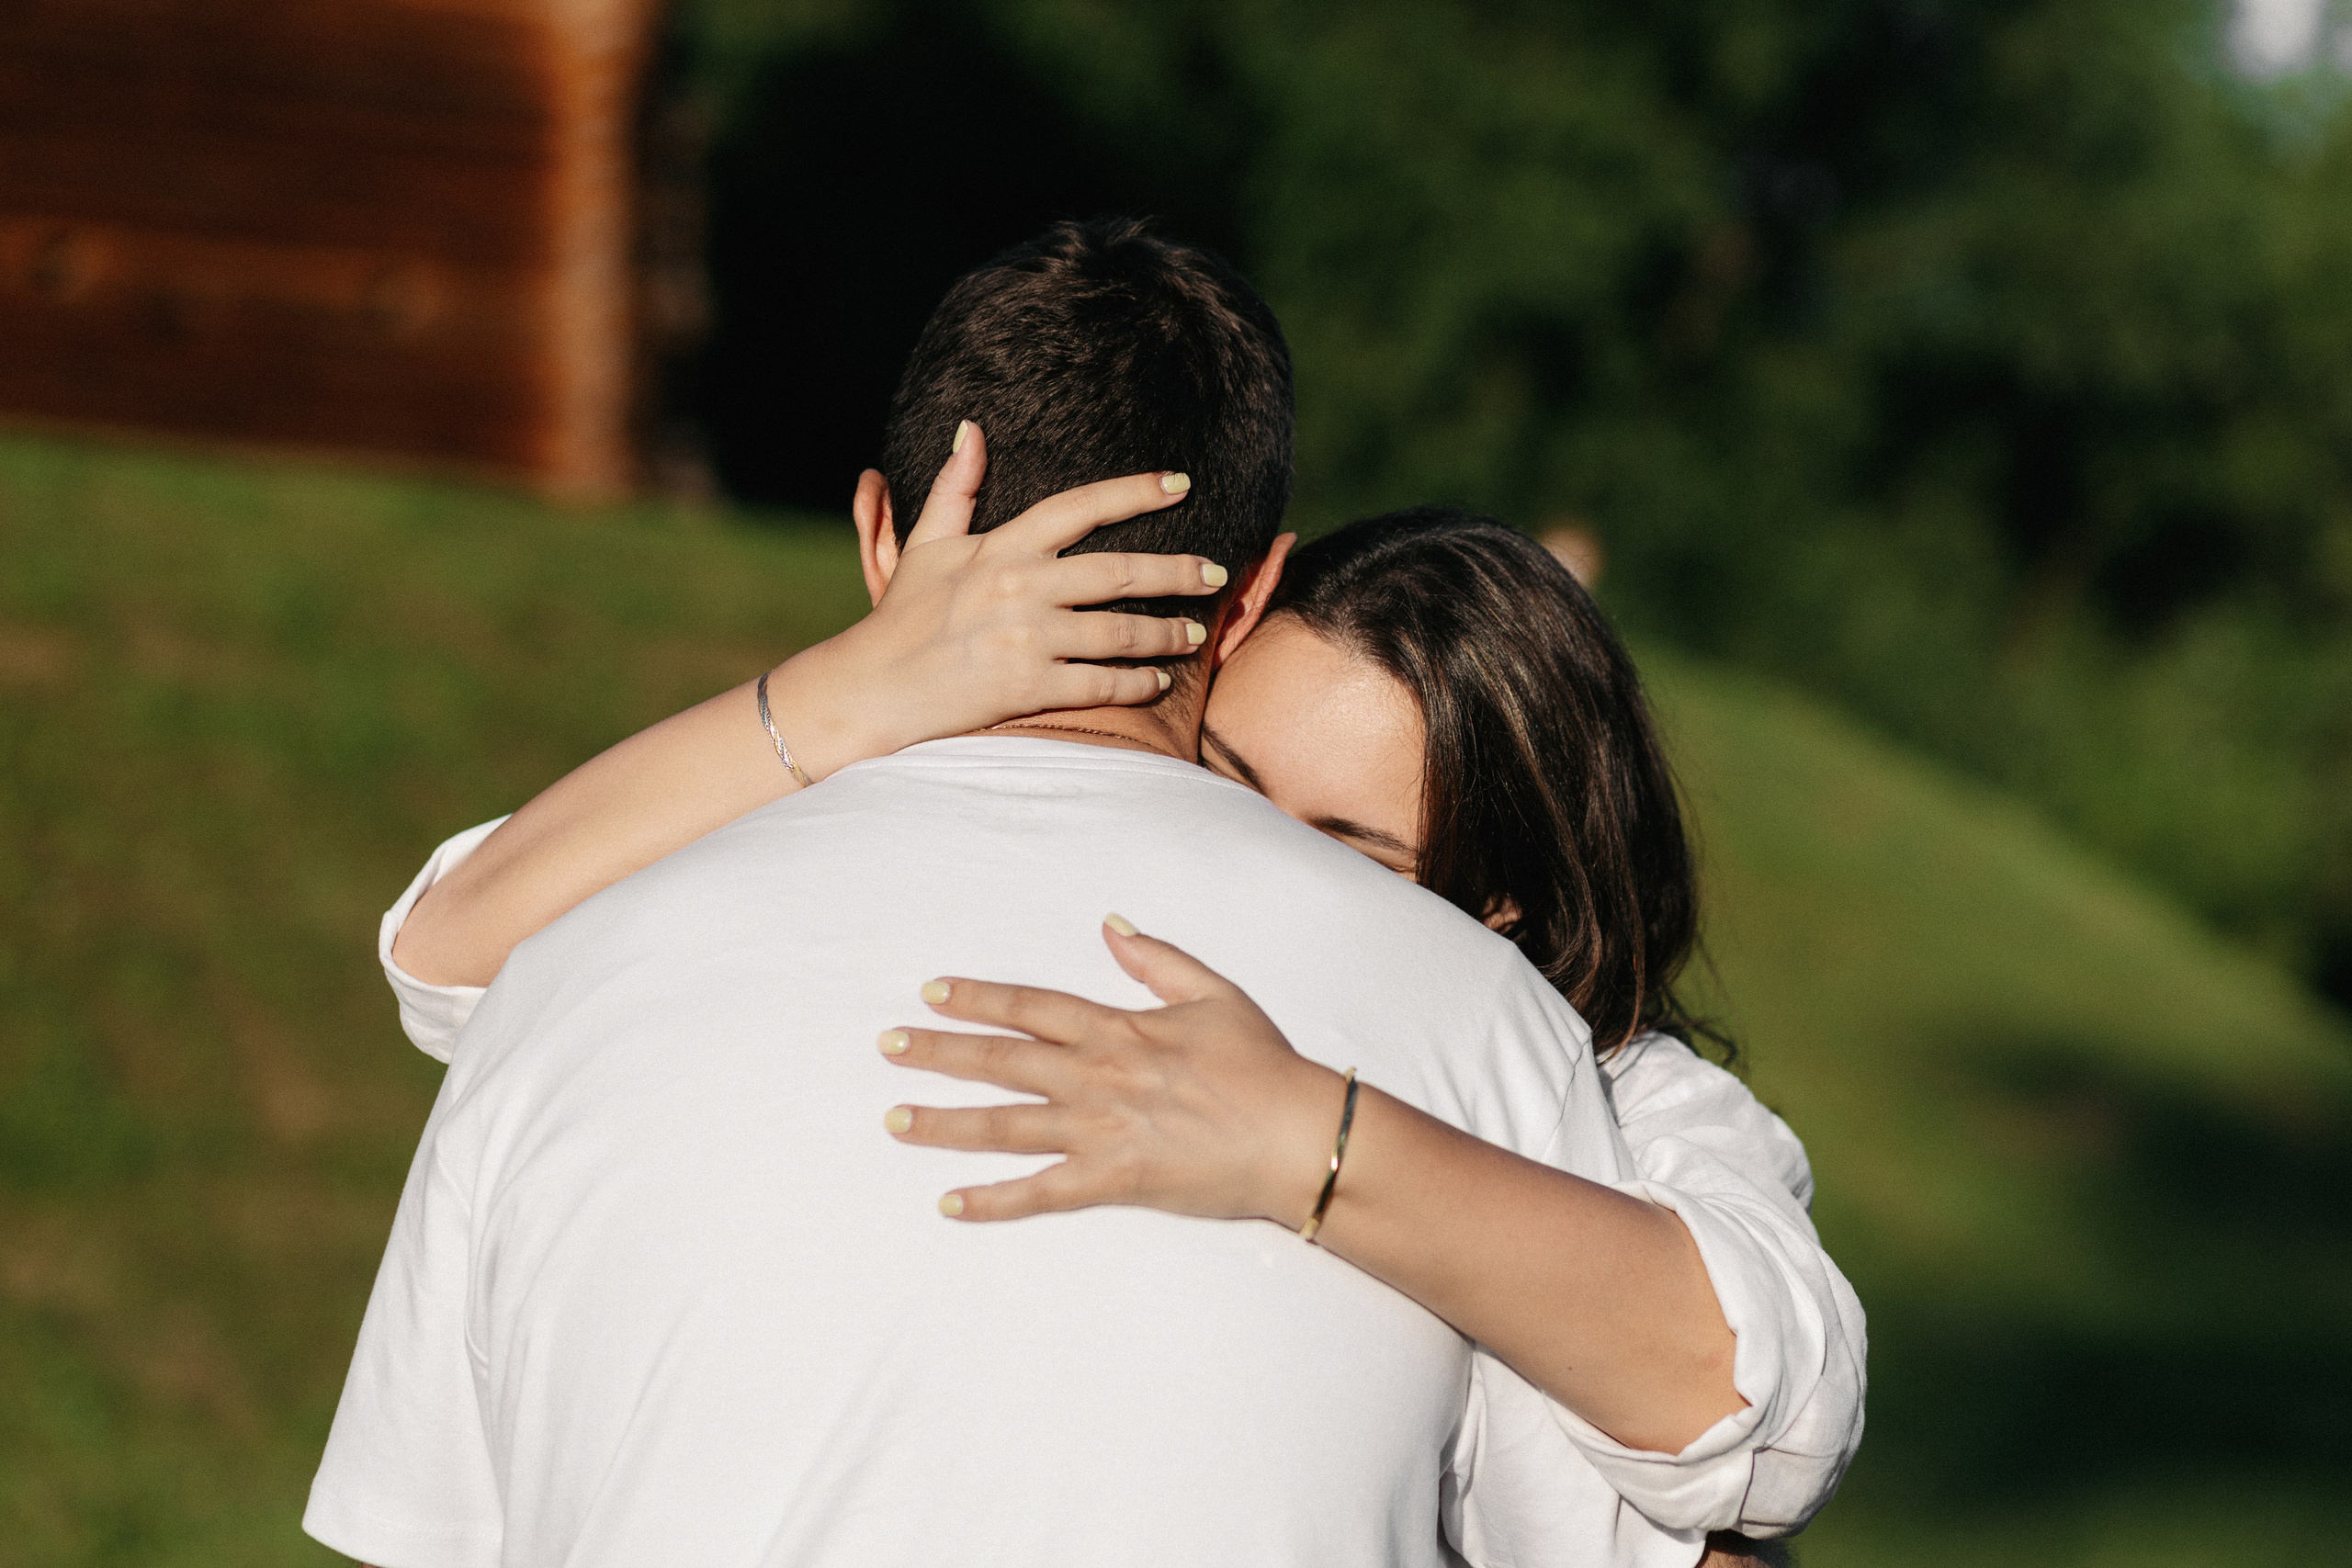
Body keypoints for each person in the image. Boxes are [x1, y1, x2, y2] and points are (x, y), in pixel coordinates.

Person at [319, 220, 1860, 1567]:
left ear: (875, 532)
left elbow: (1753, 1413)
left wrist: (1311, 1141)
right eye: (1247, 793)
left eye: (1360, 849)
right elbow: (447, 950)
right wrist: (852, 694)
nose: (1265, 872)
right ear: (1249, 597)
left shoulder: (580, 970)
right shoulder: (1478, 1032)